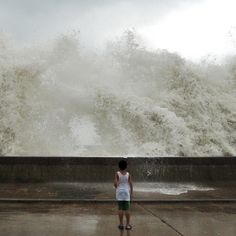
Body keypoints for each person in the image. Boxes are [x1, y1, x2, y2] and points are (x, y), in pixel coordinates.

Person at [114, 159, 133, 230]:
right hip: (126, 192)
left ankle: (121, 224)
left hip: (119, 192)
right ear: (126, 167)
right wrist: (131, 193)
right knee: (127, 209)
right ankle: (128, 225)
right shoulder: (128, 174)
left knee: (120, 208)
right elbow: (131, 184)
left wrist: (117, 185)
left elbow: (115, 184)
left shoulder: (117, 173)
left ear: (119, 167)